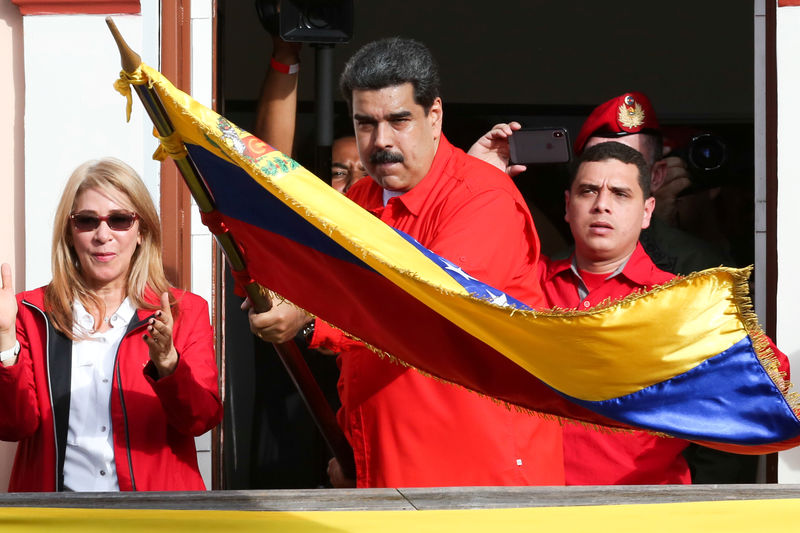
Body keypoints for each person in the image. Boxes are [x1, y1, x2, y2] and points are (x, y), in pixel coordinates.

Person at [248, 37, 564, 488]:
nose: (381, 142)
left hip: (479, 478)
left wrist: (309, 316)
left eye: (399, 121)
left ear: (434, 116)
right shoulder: (357, 200)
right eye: (366, 124)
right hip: (384, 466)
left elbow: (425, 303)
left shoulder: (483, 196)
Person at [540, 141, 789, 484]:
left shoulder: (681, 300)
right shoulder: (527, 285)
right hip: (536, 505)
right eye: (588, 191)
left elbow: (767, 380)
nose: (602, 205)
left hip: (648, 506)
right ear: (568, 206)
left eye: (620, 194)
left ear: (647, 211)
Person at [0, 158, 223, 492]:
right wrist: (4, 337)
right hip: (56, 518)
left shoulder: (184, 311)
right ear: (69, 233)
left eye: (119, 220)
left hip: (155, 518)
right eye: (87, 221)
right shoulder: (30, 313)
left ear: (141, 232)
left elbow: (200, 420)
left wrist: (168, 366)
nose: (103, 235)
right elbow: (13, 425)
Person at [254, 36, 366, 193]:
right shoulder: (306, 214)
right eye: (338, 173)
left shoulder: (396, 214)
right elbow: (273, 167)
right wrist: (286, 53)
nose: (354, 183)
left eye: (367, 174)